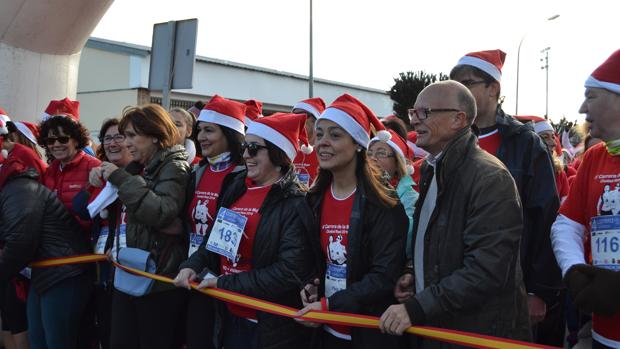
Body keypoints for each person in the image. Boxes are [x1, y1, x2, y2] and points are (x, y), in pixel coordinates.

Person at [379, 81, 529, 345]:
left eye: (424, 113)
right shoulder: (430, 169)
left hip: (475, 334)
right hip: (441, 327)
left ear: (458, 119)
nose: (414, 121)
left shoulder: (490, 177)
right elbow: (434, 242)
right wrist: (414, 273)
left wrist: (418, 307)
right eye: (413, 113)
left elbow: (485, 270)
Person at [175, 112, 315, 349]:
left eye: (254, 148)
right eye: (245, 148)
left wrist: (225, 284)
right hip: (228, 313)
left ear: (277, 154)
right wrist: (192, 265)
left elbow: (288, 271)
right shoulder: (236, 187)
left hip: (266, 325)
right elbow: (214, 241)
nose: (246, 155)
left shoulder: (295, 202)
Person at [449, 49, 562, 344]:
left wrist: (539, 291)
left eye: (468, 83)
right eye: (454, 84)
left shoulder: (525, 143)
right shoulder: (450, 141)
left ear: (493, 89)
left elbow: (545, 216)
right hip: (456, 286)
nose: (459, 92)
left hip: (512, 288)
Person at [296, 93, 407, 349]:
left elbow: (384, 275)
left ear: (358, 143)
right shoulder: (312, 200)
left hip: (368, 333)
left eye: (335, 135)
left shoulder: (384, 204)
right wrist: (311, 285)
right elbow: (314, 260)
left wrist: (330, 304)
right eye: (320, 134)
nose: (322, 142)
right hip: (325, 332)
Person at [97, 104, 190, 349]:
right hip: (130, 268)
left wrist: (121, 178)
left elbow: (160, 212)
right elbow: (133, 215)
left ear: (155, 136)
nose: (126, 143)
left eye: (131, 136)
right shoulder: (140, 167)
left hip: (157, 278)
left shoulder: (174, 166)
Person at [551, 48, 620, 349]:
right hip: (603, 334)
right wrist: (574, 269)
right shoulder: (595, 157)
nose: (581, 108)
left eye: (591, 96)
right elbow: (567, 224)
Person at [0, 147, 93, 349]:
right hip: (46, 273)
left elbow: (19, 243)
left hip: (64, 272)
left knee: (56, 342)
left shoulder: (20, 189)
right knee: (39, 341)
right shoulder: (13, 188)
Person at [182, 95, 247, 349]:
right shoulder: (197, 171)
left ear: (230, 134)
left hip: (222, 277)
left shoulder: (242, 175)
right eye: (200, 131)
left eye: (210, 130)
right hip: (192, 271)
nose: (201, 137)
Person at [72, 118, 133, 349]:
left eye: (119, 137)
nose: (113, 143)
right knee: (103, 328)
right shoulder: (101, 174)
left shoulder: (138, 175)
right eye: (107, 138)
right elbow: (81, 210)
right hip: (101, 265)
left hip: (127, 266)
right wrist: (93, 184)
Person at [38, 98, 101, 233]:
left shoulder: (94, 166)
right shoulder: (49, 172)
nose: (56, 145)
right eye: (51, 140)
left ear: (77, 140)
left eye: (63, 139)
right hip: (55, 245)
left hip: (85, 247)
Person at [368, 129, 418, 259]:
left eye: (381, 153)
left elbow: (406, 243)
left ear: (397, 162)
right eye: (369, 153)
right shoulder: (357, 190)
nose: (372, 158)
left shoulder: (411, 199)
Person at [292, 97, 326, 186]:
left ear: (316, 121)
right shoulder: (288, 150)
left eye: (301, 115)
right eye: (293, 116)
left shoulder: (327, 152)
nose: (296, 119)